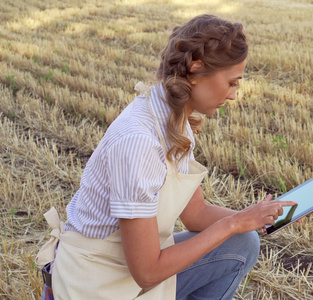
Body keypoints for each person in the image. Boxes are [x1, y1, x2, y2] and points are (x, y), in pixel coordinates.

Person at [35, 14, 296, 300]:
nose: (234, 95)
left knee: (243, 242)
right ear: (196, 70)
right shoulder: (139, 141)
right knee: (234, 234)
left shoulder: (173, 118)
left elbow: (196, 215)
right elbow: (146, 272)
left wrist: (262, 216)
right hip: (97, 284)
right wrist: (231, 224)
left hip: (132, 273)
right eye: (232, 83)